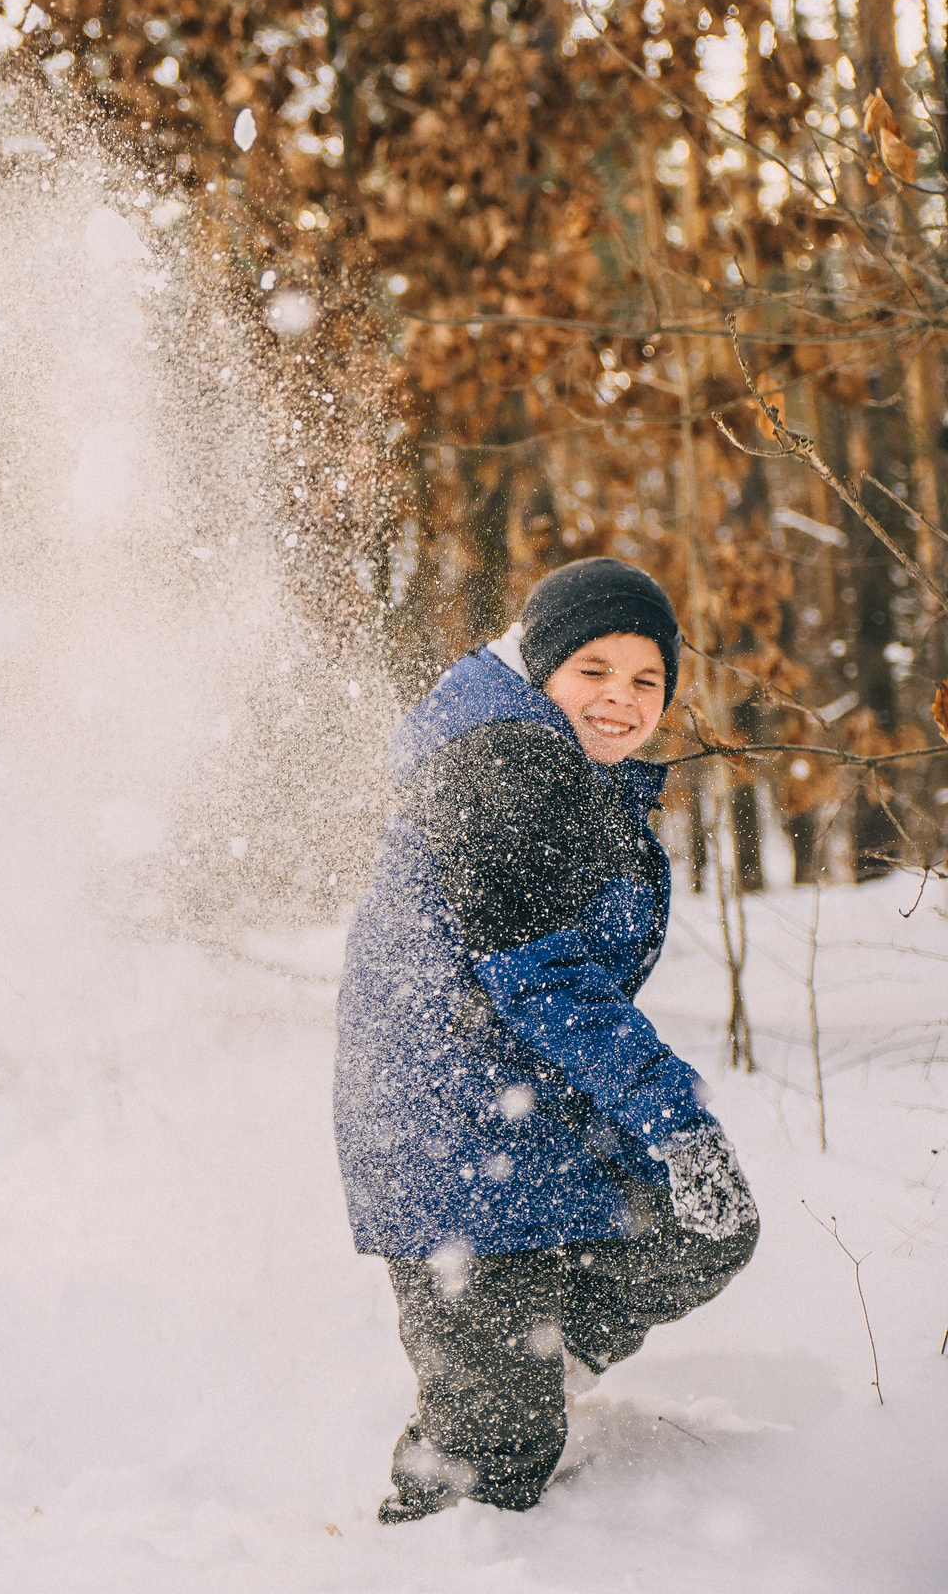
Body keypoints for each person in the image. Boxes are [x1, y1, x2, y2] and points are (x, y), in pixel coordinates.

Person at [334, 557, 760, 1524]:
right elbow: (543, 977)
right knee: (485, 1471)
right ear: (540, 666)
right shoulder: (503, 762)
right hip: (451, 1137)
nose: (621, 699)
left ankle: (536, 1361)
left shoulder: (542, 755)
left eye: (647, 679)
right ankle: (445, 1524)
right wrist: (670, 1114)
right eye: (594, 671)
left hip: (518, 1111)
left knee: (706, 1226)